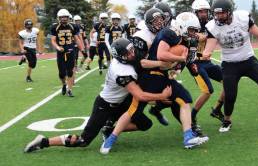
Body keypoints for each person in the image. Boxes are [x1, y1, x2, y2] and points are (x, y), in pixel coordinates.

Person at [24, 38, 172, 153]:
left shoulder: (126, 58)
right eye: (128, 53)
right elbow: (139, 95)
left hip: (122, 102)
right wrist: (161, 96)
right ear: (120, 56)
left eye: (132, 50)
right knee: (83, 141)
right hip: (106, 105)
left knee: (145, 124)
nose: (132, 54)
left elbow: (142, 61)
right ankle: (43, 142)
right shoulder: (121, 71)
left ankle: (108, 129)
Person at [100, 10, 209, 155]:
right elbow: (160, 55)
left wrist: (175, 64)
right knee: (134, 110)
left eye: (195, 31)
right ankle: (110, 139)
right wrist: (181, 58)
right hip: (151, 75)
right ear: (182, 26)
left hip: (159, 76)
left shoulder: (175, 35)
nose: (193, 33)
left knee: (184, 99)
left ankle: (188, 136)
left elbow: (169, 60)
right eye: (191, 30)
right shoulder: (170, 33)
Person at [203, 0, 258, 132]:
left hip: (248, 60)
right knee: (230, 95)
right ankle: (227, 120)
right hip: (230, 64)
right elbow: (209, 47)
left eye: (222, 13)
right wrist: (206, 53)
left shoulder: (242, 18)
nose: (218, 16)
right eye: (216, 13)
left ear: (230, 12)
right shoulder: (213, 27)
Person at [188, 0, 225, 126]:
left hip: (207, 62)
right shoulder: (190, 24)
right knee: (207, 91)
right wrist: (208, 36)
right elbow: (199, 37)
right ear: (195, 12)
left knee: (229, 83)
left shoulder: (211, 24)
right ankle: (191, 117)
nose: (203, 14)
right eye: (201, 11)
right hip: (195, 63)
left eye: (205, 11)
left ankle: (217, 109)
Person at [50, 9, 85, 97]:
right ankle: (63, 85)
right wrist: (58, 47)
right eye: (62, 17)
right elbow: (53, 40)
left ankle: (70, 90)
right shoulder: (55, 27)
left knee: (70, 72)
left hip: (71, 50)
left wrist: (82, 49)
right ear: (59, 18)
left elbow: (76, 39)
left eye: (65, 17)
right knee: (61, 73)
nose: (64, 19)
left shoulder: (73, 26)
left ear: (68, 17)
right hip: (60, 52)